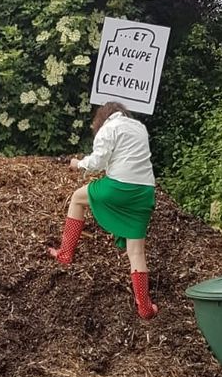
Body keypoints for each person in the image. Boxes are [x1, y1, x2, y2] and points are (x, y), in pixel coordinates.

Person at [49, 102, 158, 319]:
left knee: (77, 198)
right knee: (136, 252)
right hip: (145, 193)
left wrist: (77, 164)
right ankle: (145, 307)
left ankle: (65, 253)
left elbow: (98, 162)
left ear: (102, 117)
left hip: (118, 188)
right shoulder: (139, 127)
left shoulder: (109, 128)